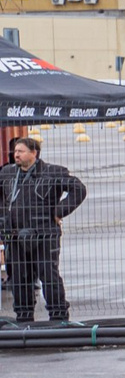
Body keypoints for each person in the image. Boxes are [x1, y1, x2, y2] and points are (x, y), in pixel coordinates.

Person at [2, 134, 86, 324]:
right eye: (15, 151)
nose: (16, 155)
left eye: (21, 151)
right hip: (15, 237)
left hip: (44, 235)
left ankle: (58, 316)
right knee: (19, 278)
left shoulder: (52, 172)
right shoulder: (7, 174)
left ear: (34, 153)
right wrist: (3, 223)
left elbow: (79, 189)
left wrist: (60, 211)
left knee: (49, 275)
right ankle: (24, 317)